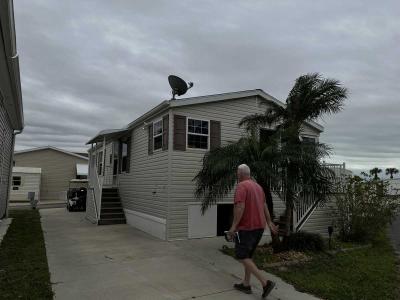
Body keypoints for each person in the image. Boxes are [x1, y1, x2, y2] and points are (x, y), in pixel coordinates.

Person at [228, 164, 279, 298]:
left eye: (237, 173)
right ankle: (246, 284)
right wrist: (268, 221)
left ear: (240, 174)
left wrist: (233, 227)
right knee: (248, 256)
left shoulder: (241, 186)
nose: (236, 175)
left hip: (247, 228)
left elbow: (240, 207)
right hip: (259, 227)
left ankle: (265, 283)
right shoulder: (258, 187)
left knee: (241, 255)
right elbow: (264, 205)